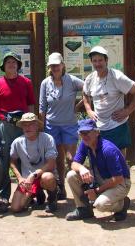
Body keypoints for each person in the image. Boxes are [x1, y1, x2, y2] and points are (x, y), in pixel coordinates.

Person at [0, 52, 35, 204]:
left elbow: (30, 105)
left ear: (18, 65)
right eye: (8, 62)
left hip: (24, 126)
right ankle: (4, 194)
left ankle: (27, 193)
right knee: (5, 159)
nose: (11, 64)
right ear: (4, 66)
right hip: (5, 126)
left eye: (14, 62)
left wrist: (32, 122)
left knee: (24, 158)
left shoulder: (26, 82)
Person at [65, 119, 131, 221]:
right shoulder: (85, 144)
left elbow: (118, 178)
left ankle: (122, 205)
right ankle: (83, 210)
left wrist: (96, 191)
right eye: (82, 133)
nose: (85, 136)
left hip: (121, 183)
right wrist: (82, 169)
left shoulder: (107, 149)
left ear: (96, 132)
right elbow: (74, 164)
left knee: (100, 204)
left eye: (88, 132)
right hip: (100, 178)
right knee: (71, 175)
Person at [39, 52, 84, 200]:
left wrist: (80, 106)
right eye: (52, 65)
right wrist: (42, 126)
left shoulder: (71, 80)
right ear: (49, 67)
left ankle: (81, 189)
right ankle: (61, 187)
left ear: (63, 65)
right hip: (52, 126)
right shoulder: (45, 83)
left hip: (69, 125)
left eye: (57, 65)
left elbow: (88, 88)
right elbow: (42, 107)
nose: (55, 68)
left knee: (71, 158)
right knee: (57, 159)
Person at [83, 46, 135, 150]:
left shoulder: (117, 77)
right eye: (95, 61)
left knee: (118, 159)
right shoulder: (90, 79)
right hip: (99, 127)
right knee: (101, 158)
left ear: (106, 60)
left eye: (100, 60)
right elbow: (85, 94)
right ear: (91, 62)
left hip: (117, 125)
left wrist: (128, 111)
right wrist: (89, 110)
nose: (98, 64)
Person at [9, 113, 58, 213]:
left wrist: (34, 175)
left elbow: (51, 164)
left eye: (31, 124)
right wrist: (19, 178)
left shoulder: (47, 138)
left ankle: (52, 200)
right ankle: (37, 194)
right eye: (25, 125)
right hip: (27, 181)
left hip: (43, 175)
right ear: (22, 127)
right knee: (15, 208)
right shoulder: (17, 142)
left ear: (37, 126)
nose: (27, 127)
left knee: (48, 177)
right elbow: (12, 162)